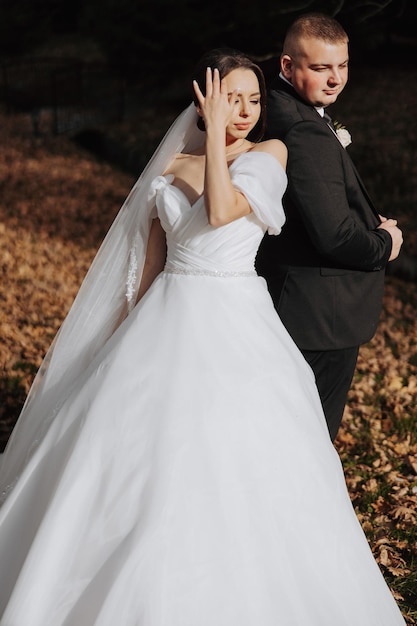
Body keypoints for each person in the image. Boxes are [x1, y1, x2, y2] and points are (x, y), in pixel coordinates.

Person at [0, 48, 405, 625]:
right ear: (202, 97)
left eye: (253, 99)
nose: (243, 110)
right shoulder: (166, 172)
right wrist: (116, 341)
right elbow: (149, 271)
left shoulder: (270, 154)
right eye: (230, 98)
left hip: (236, 320)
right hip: (165, 319)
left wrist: (215, 136)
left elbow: (221, 210)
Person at [256, 13, 403, 441]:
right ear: (287, 66)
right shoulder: (303, 128)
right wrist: (383, 242)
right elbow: (334, 235)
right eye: (321, 67)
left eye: (342, 65)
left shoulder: (279, 107)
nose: (335, 79)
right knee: (309, 439)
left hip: (298, 303)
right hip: (319, 316)